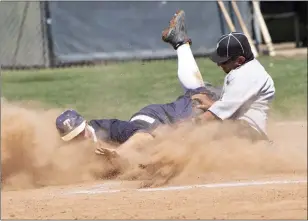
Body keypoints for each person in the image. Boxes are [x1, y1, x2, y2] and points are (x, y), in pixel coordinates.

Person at [55, 10, 222, 154]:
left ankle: (180, 42)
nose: (79, 140)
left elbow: (144, 137)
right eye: (73, 139)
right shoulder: (75, 153)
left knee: (199, 103)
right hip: (156, 118)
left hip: (155, 118)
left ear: (85, 124)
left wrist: (117, 154)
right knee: (198, 99)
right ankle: (180, 41)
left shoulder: (106, 128)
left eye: (80, 133)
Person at [191, 31, 276, 142]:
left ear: (239, 60)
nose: (219, 64)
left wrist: (190, 125)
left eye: (223, 61)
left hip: (247, 133)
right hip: (243, 128)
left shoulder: (246, 76)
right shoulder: (248, 68)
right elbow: (237, 105)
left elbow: (214, 116)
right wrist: (213, 106)